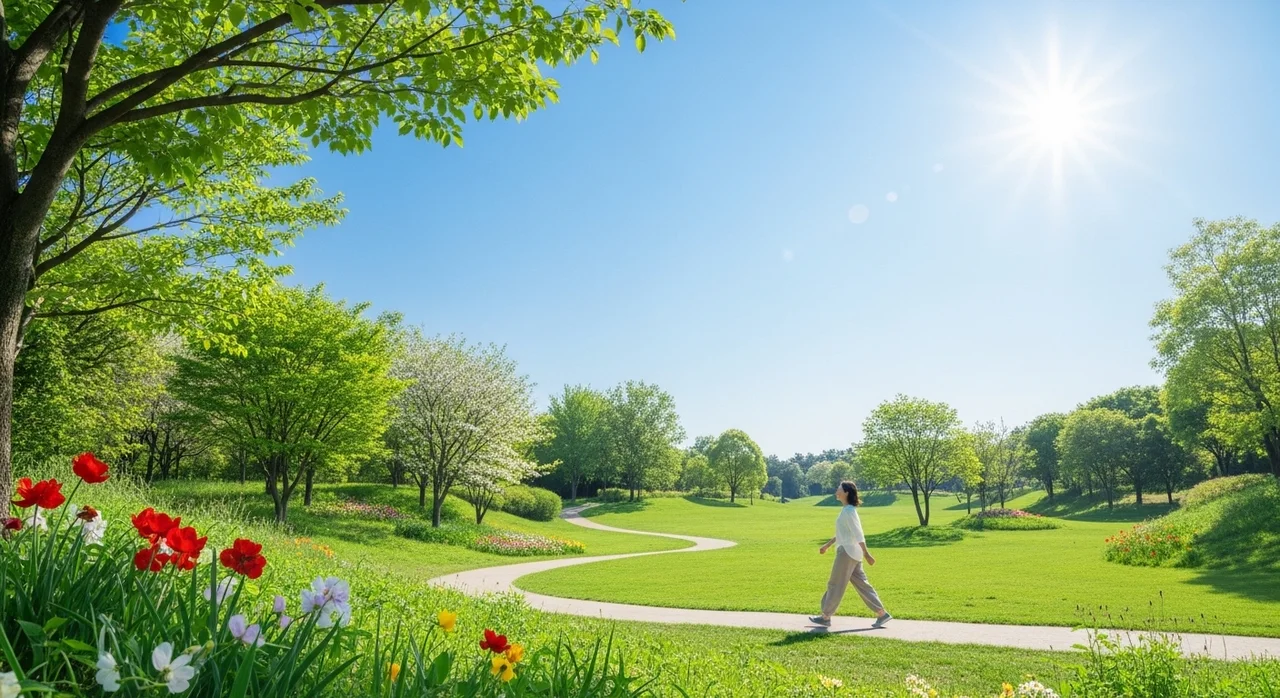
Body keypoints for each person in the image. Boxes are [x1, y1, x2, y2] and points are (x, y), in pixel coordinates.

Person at [810, 480, 892, 628]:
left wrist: (867, 554)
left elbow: (858, 534)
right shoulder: (847, 510)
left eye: (839, 489)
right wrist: (827, 545)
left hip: (847, 553)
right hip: (853, 553)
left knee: (835, 583)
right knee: (862, 585)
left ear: (846, 492)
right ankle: (882, 613)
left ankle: (825, 616)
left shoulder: (848, 511)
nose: (836, 491)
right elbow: (842, 533)